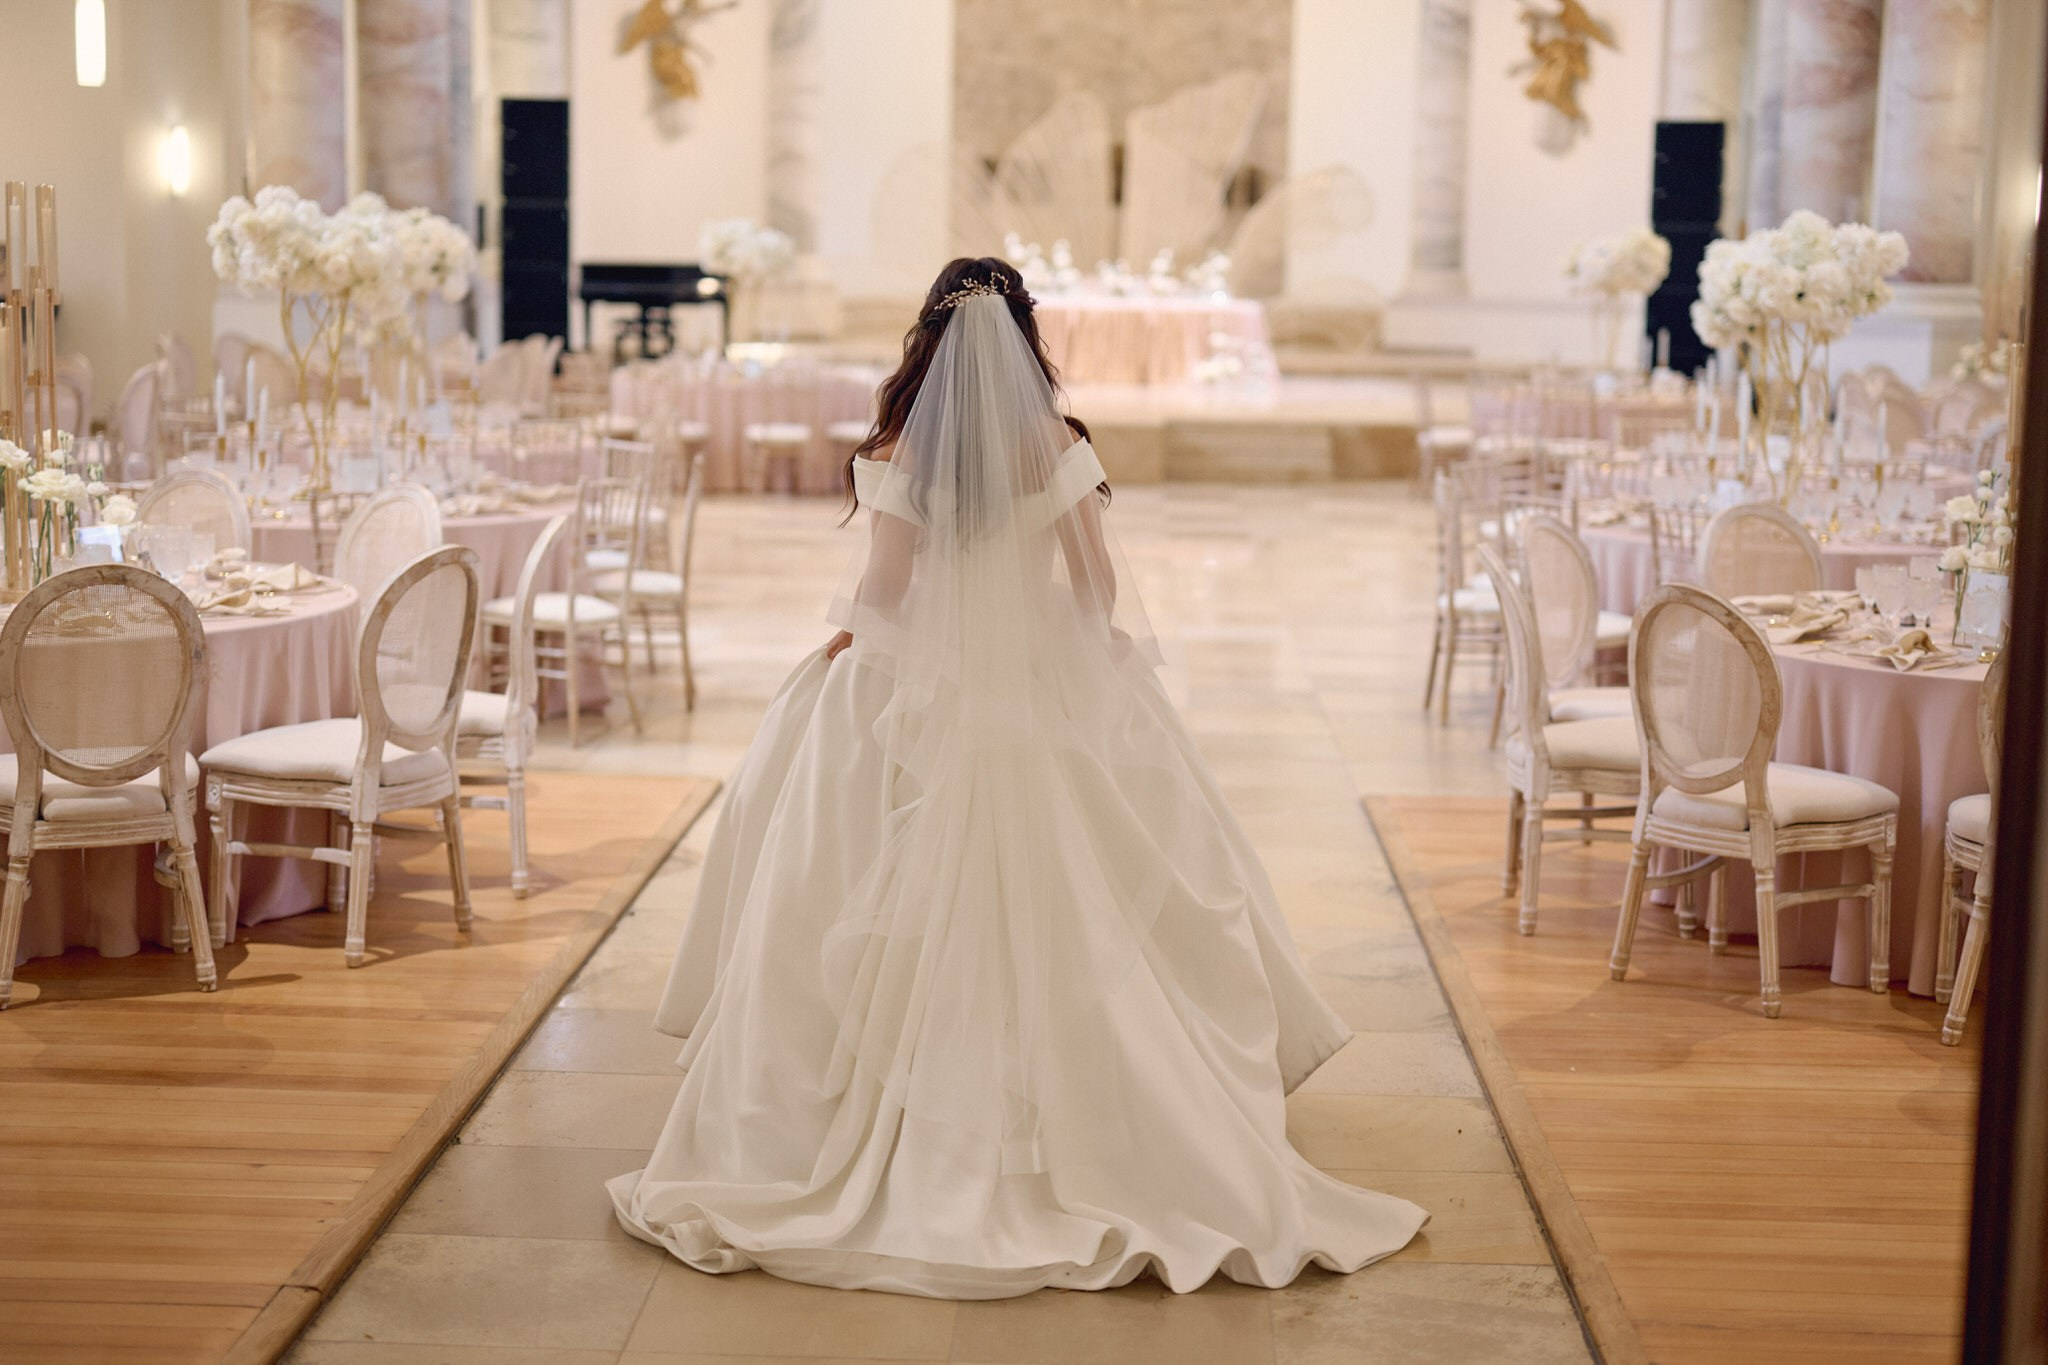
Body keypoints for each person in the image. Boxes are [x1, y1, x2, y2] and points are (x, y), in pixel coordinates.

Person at [608, 257, 1426, 1298]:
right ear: (1026, 337)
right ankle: (1099, 1110)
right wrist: (1083, 664)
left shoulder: (903, 444)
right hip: (1036, 689)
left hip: (917, 692)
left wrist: (846, 650)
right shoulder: (1058, 444)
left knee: (847, 874)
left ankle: (867, 1112)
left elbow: (888, 587)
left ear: (928, 339)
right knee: (1087, 898)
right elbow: (1095, 585)